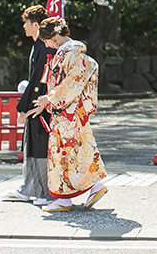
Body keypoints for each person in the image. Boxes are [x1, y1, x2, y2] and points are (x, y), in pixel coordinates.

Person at [28, 17, 107, 211]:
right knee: (78, 151)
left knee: (65, 154)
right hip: (68, 110)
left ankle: (64, 199)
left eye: (46, 40)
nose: (46, 45)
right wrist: (47, 102)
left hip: (68, 112)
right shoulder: (69, 52)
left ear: (55, 36)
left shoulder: (72, 53)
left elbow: (73, 82)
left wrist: (50, 97)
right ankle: (95, 186)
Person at [4, 5, 54, 205]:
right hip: (35, 103)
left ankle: (43, 192)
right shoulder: (38, 46)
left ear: (35, 25)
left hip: (40, 104)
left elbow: (36, 81)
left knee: (39, 148)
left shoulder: (43, 47)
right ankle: (29, 188)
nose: (23, 26)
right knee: (31, 147)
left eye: (26, 23)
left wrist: (23, 107)